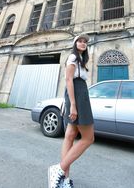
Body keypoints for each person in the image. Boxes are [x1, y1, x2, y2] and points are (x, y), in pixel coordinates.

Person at [48, 33, 94, 188]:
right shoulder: (73, 58)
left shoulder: (81, 60)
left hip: (79, 93)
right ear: (74, 44)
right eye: (79, 41)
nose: (83, 43)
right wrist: (73, 105)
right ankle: (59, 169)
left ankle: (64, 179)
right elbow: (68, 80)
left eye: (85, 42)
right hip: (77, 95)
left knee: (70, 135)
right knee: (88, 138)